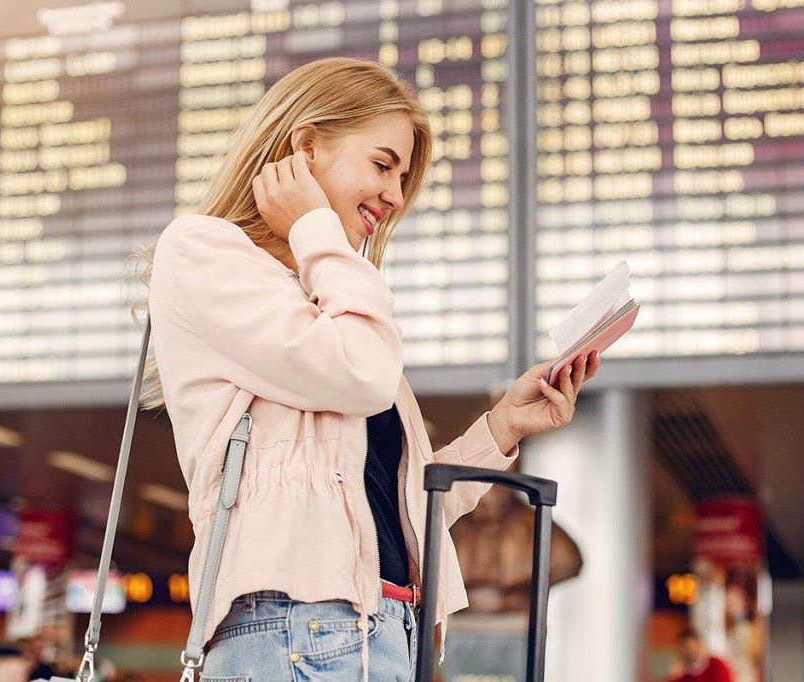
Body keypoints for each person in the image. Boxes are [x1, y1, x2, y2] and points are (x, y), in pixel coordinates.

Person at [142, 57, 600, 681]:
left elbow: (405, 506)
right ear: (304, 148)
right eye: (382, 164)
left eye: (403, 175)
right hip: (295, 628)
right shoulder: (204, 250)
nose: (395, 194)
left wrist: (501, 431)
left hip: (383, 630)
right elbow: (362, 374)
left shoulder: (324, 295)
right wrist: (313, 227)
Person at [668, 627, 734, 682]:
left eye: (693, 646)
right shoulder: (682, 675)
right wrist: (674, 676)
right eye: (686, 648)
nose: (691, 651)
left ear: (700, 644)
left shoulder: (716, 665)